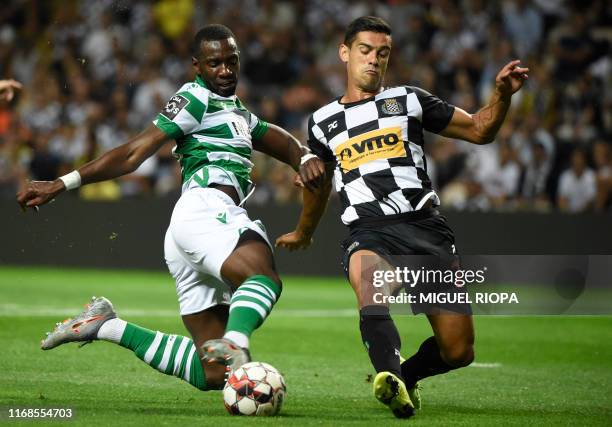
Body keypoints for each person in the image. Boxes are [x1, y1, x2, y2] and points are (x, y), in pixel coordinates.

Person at [16, 24, 324, 392]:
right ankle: (237, 343)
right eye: (214, 63)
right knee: (262, 277)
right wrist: (62, 183)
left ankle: (106, 326)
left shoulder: (237, 114)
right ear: (197, 67)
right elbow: (133, 154)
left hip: (192, 228)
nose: (225, 70)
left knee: (215, 374)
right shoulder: (195, 98)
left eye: (231, 61)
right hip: (205, 208)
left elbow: (285, 143)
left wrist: (304, 155)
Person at [277, 16, 528, 418]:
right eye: (365, 51)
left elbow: (481, 130)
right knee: (371, 289)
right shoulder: (322, 122)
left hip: (425, 229)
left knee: (458, 351)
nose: (374, 61)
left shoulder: (408, 100)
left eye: (383, 53)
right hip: (369, 230)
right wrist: (303, 231)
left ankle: (404, 377)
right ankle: (387, 376)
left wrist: (502, 95)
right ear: (345, 53)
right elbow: (318, 186)